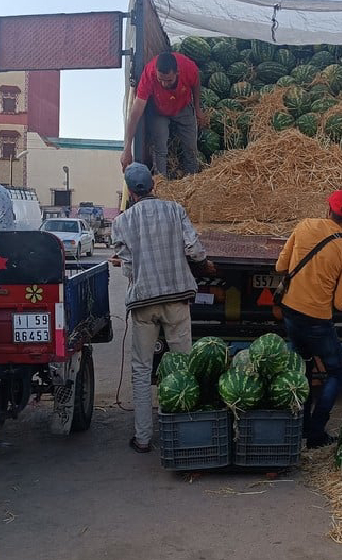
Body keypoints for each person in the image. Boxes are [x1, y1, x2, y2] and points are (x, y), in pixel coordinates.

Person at [111, 163, 215, 453]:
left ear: (131, 192)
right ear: (154, 185)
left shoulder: (121, 222)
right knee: (184, 366)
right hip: (176, 299)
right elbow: (194, 249)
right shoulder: (175, 209)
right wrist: (205, 264)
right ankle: (188, 434)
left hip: (144, 303)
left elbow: (127, 267)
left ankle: (143, 439)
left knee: (142, 370)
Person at [275, 190, 342, 448]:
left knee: (303, 369)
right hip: (317, 321)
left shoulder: (304, 226)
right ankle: (316, 430)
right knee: (337, 373)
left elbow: (281, 267)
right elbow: (340, 304)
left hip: (290, 312)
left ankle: (298, 426)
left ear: (327, 209)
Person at [121, 51, 206, 177]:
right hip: (159, 110)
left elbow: (195, 84)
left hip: (183, 106)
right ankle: (161, 182)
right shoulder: (149, 74)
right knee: (160, 148)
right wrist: (127, 147)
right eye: (160, 80)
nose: (164, 84)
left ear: (177, 72)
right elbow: (136, 111)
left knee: (191, 147)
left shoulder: (188, 68)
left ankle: (192, 178)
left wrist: (198, 109)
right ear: (156, 71)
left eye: (169, 80)